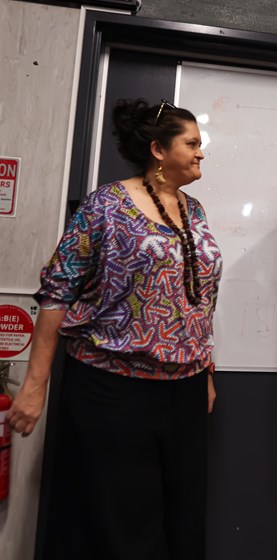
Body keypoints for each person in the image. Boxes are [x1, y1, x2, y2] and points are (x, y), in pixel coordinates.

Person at [6, 98, 222, 560]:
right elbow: (56, 293)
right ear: (158, 150)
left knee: (182, 519)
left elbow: (200, 297)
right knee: (120, 527)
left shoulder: (196, 210)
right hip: (113, 391)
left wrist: (205, 370)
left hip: (182, 392)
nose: (201, 153)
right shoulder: (106, 204)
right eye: (192, 143)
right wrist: (34, 386)